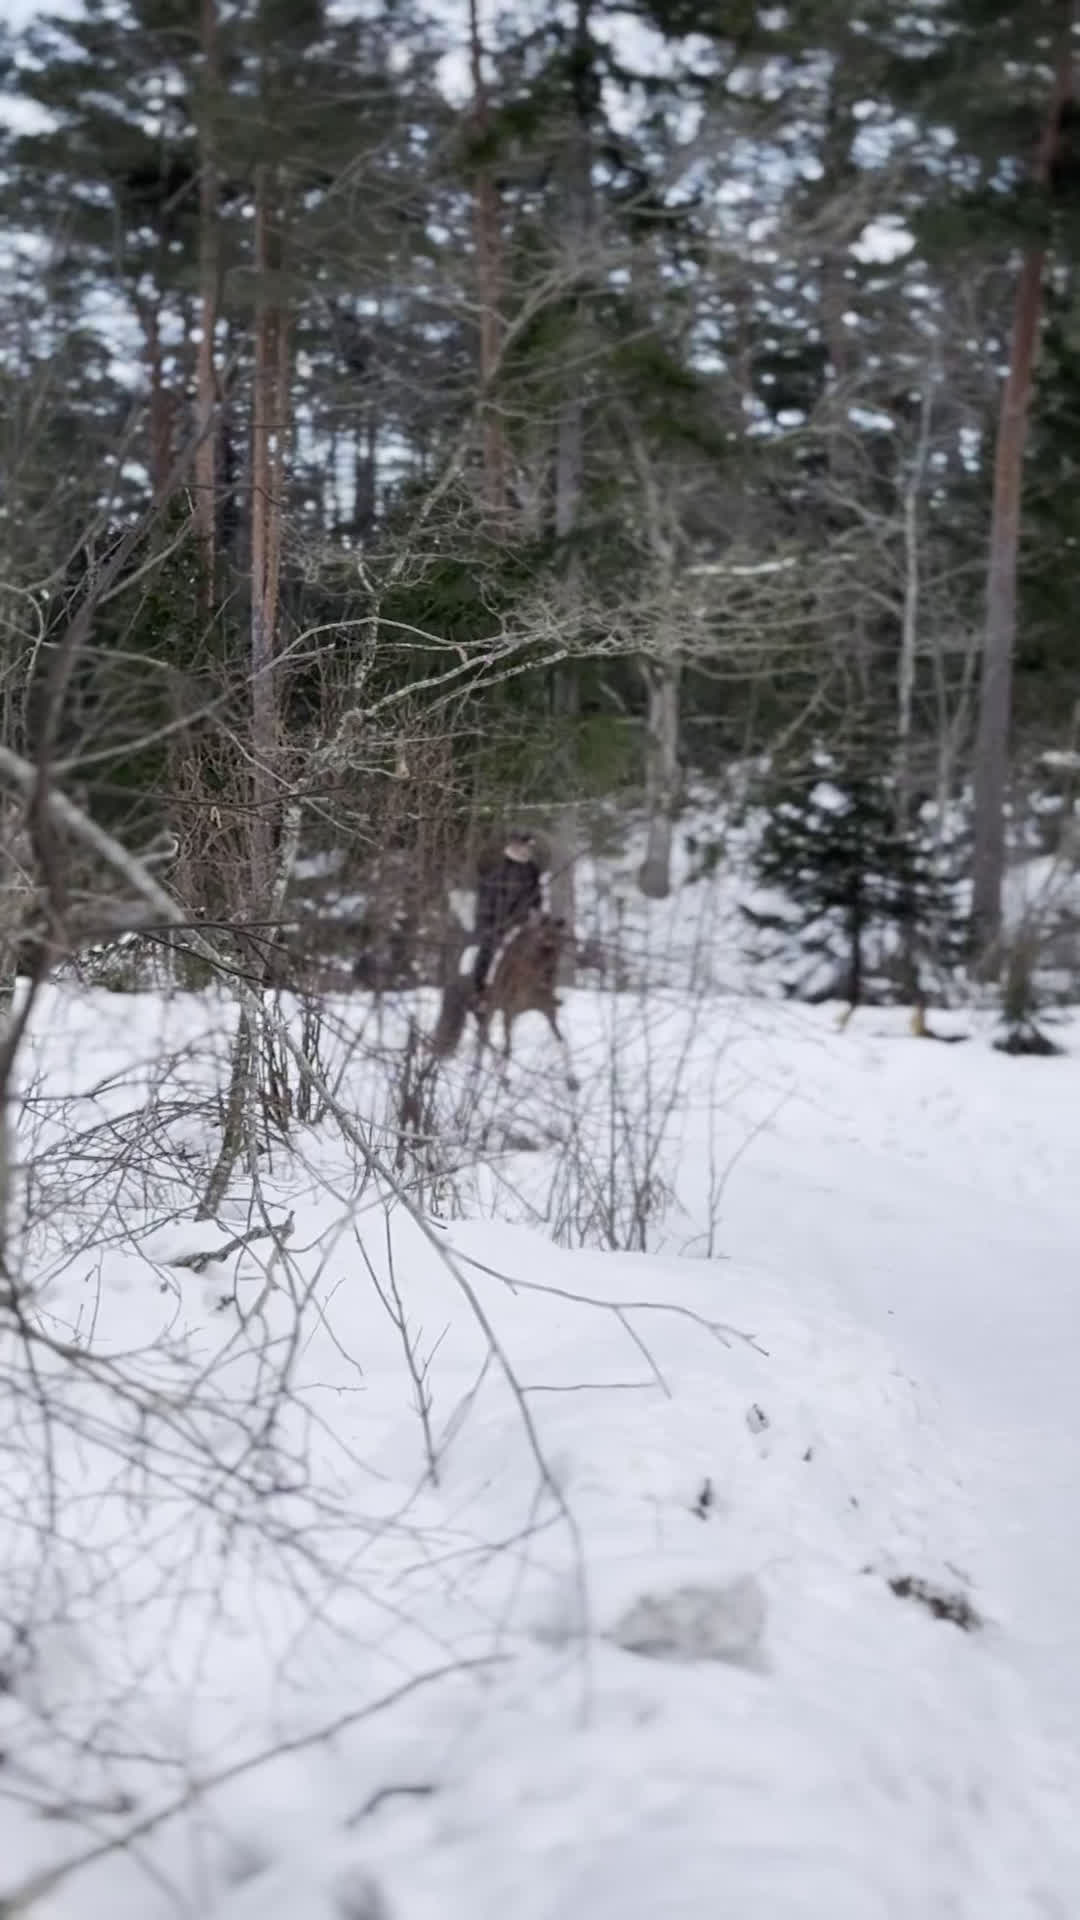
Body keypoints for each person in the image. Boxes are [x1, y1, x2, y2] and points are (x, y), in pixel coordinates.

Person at [471, 830, 542, 995]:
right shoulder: (499, 871)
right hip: (497, 924)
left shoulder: (533, 870)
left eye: (529, 847)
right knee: (489, 954)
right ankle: (481, 992)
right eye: (523, 846)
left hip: (524, 924)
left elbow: (537, 897)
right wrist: (493, 924)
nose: (526, 850)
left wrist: (534, 912)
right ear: (513, 846)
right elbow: (488, 902)